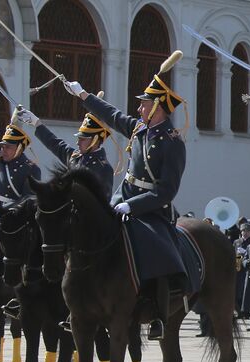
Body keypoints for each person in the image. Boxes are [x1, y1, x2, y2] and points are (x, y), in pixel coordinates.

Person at [62, 53, 187, 341]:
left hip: (151, 207)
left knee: (155, 246)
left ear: (157, 106)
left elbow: (166, 190)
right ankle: (82, 301)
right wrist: (83, 95)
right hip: (122, 196)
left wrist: (133, 204)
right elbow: (112, 115)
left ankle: (157, 311)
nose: (139, 107)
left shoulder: (172, 143)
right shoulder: (139, 130)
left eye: (144, 103)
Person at [15, 103, 114, 199]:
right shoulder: (76, 157)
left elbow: (102, 204)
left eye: (83, 139)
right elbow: (55, 143)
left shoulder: (103, 168)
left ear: (95, 140)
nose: (78, 143)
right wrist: (36, 123)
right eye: (79, 138)